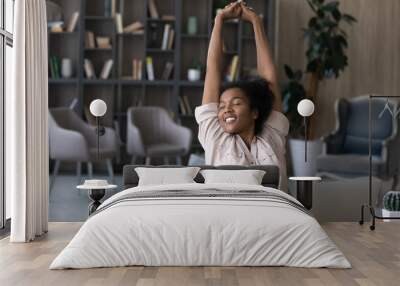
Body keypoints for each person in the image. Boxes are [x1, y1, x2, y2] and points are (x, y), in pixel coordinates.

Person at [194, 1, 289, 191]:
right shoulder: (214, 133)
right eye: (221, 106)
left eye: (236, 103)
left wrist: (256, 21)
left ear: (254, 112)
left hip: (274, 213)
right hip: (228, 214)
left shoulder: (271, 133)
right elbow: (213, 70)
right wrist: (219, 19)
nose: (226, 109)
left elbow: (269, 78)